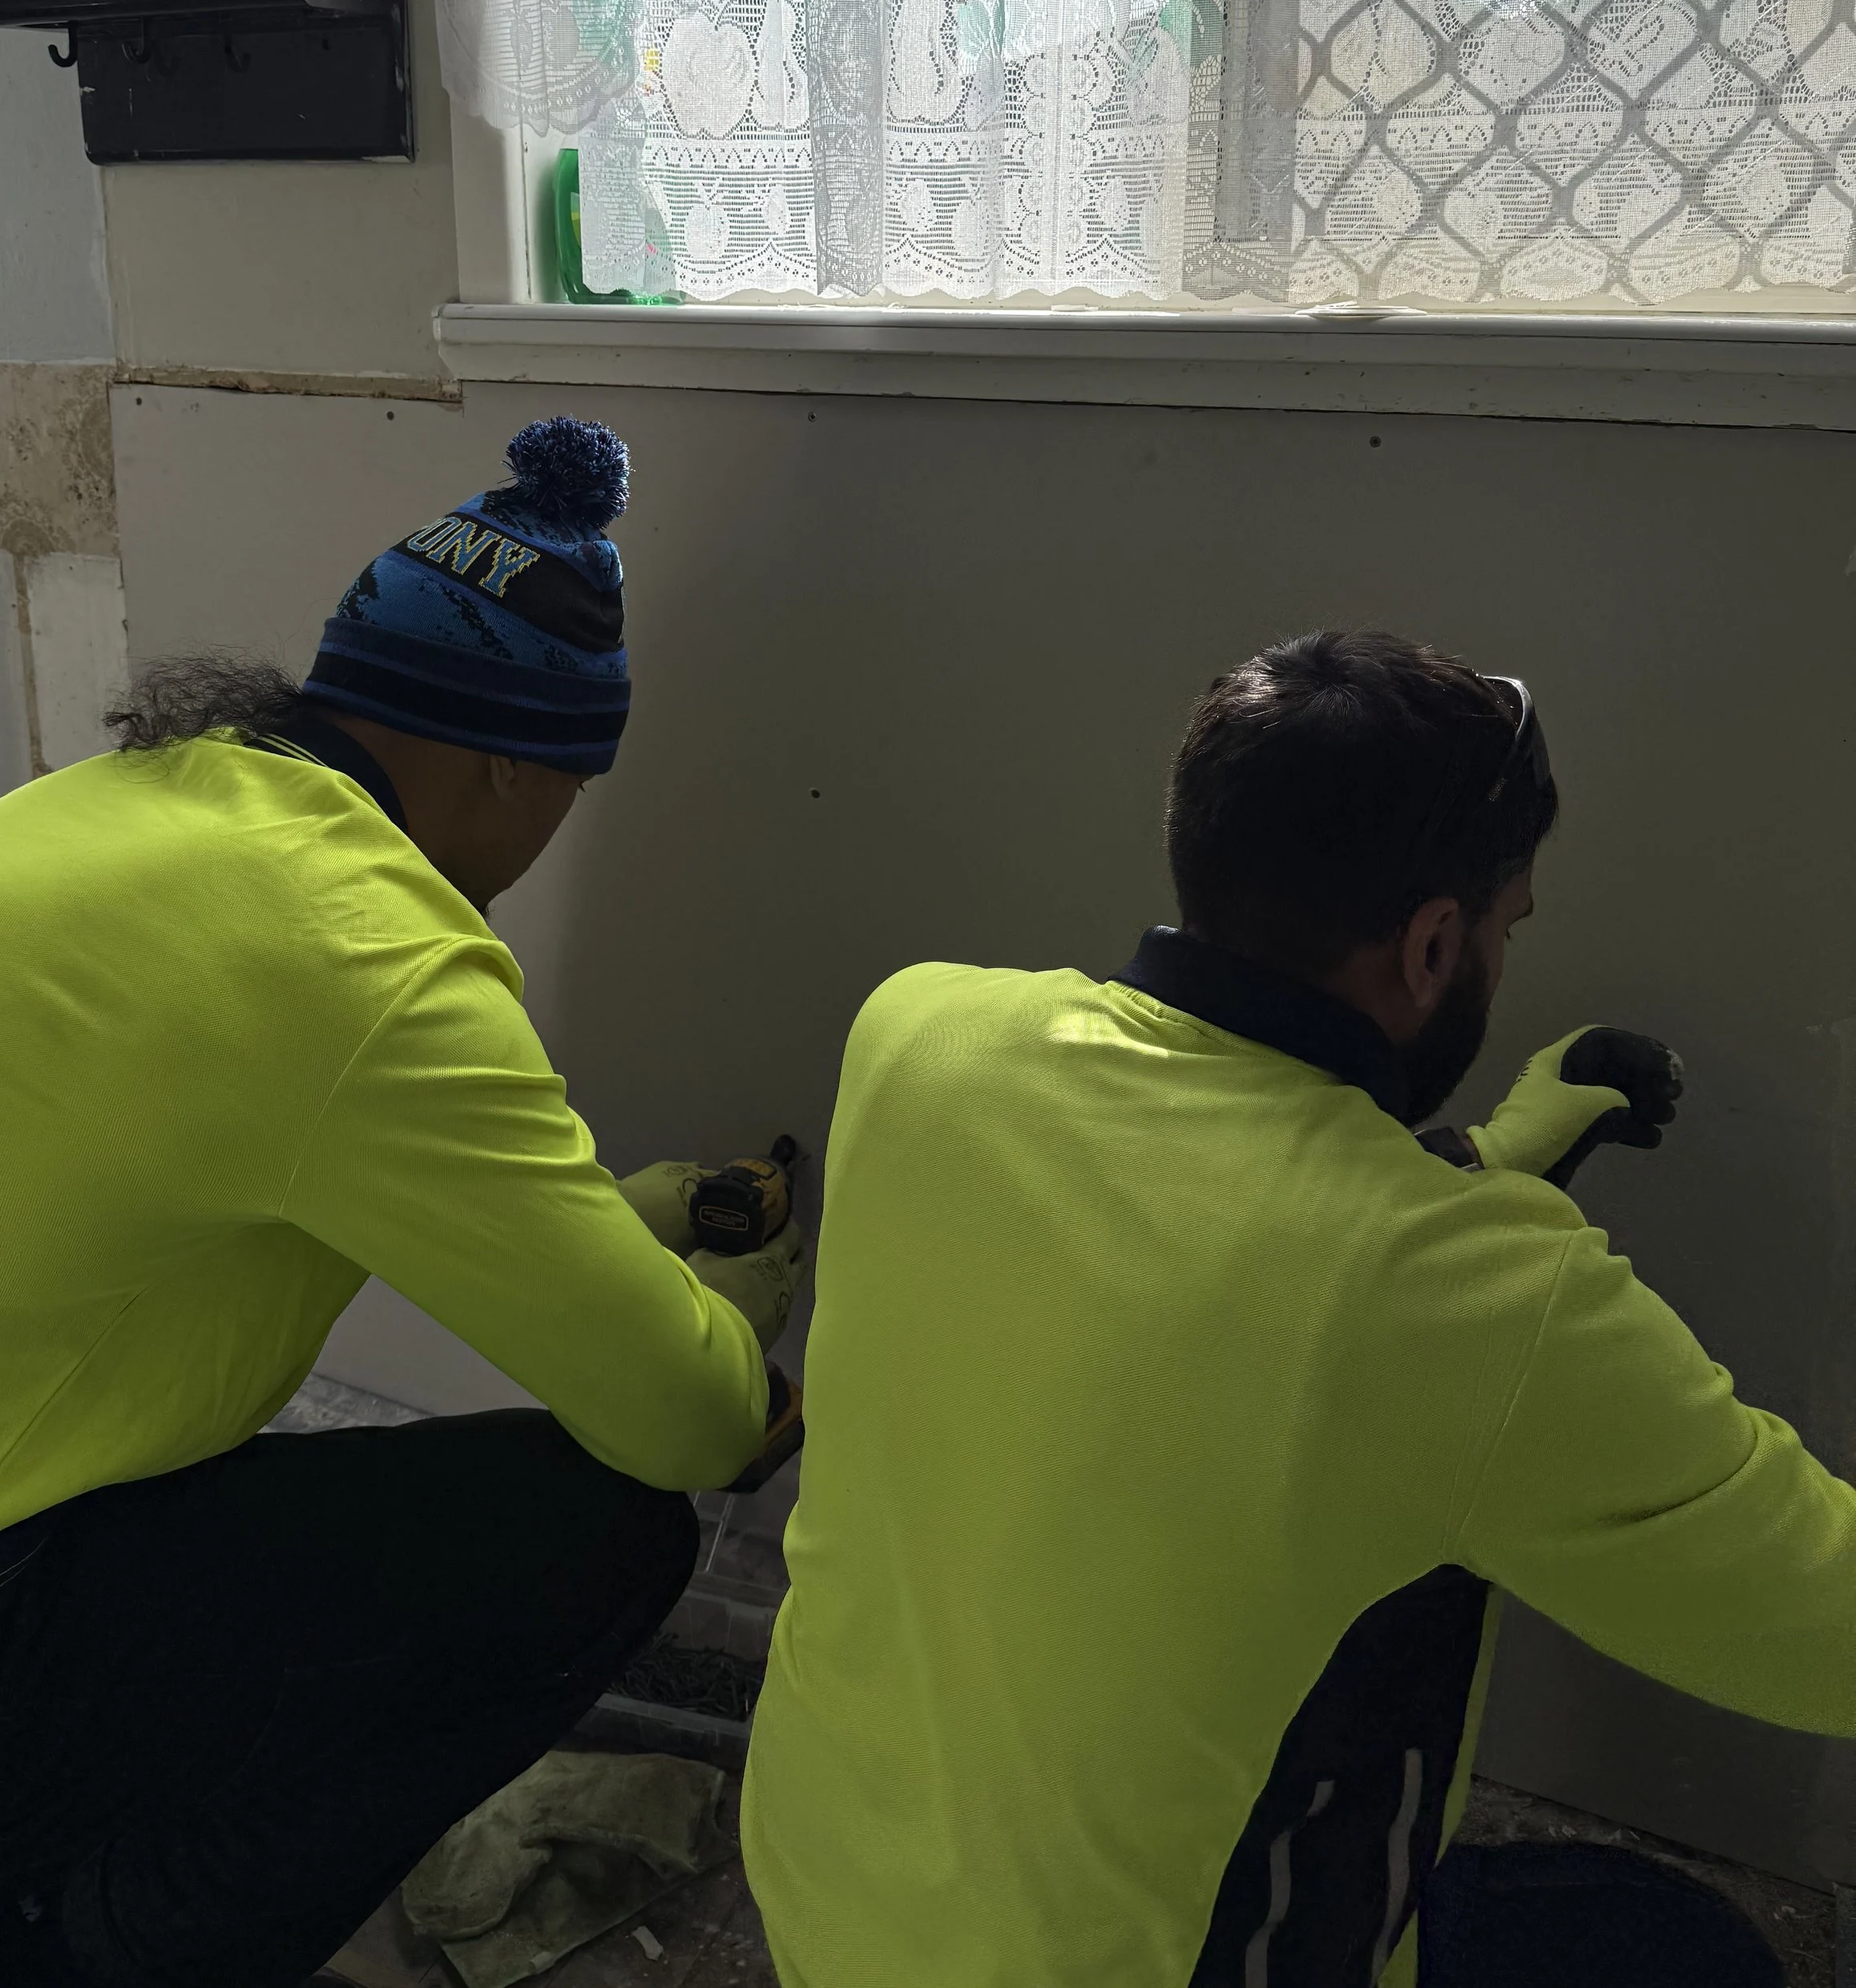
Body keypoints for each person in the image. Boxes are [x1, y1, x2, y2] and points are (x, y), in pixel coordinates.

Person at [743, 628, 1856, 1988]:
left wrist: (1494, 1158)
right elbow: (1827, 1632)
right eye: (1506, 931)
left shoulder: (921, 1035)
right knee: (1696, 1956)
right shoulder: (1486, 1302)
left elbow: (1206, 1252)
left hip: (827, 1903)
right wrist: (1490, 1213)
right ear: (1435, 944)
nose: (1502, 961)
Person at [0, 417, 802, 1988]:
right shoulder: (364, 956)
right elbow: (688, 1425)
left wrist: (599, 1216)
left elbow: (242, 1201)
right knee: (593, 1536)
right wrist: (733, 1324)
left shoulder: (117, 813)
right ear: (512, 766)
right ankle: (70, 1944)